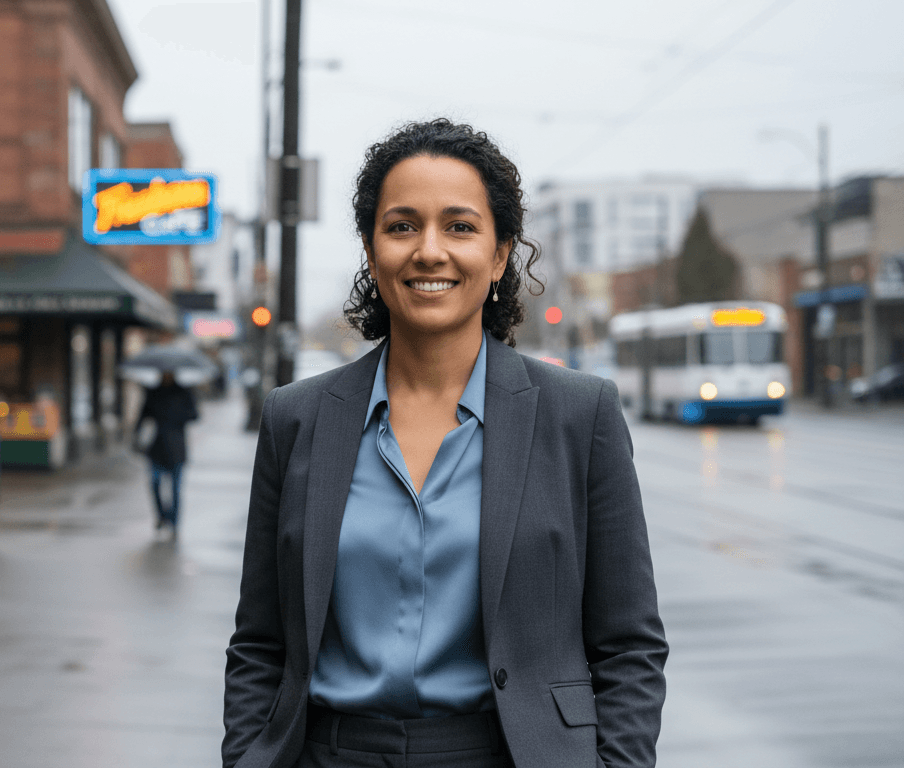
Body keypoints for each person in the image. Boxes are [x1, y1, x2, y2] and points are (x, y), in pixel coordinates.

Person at [223, 119, 667, 768]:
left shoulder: (579, 415)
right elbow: (260, 644)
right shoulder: (296, 419)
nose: (429, 251)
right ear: (372, 252)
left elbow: (629, 646)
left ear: (499, 254)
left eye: (459, 226)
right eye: (402, 226)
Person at [136, 370, 199, 535]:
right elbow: (143, 415)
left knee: (175, 489)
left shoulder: (184, 392)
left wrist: (176, 414)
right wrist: (136, 435)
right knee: (154, 483)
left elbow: (194, 415)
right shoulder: (153, 392)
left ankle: (174, 522)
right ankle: (162, 516)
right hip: (156, 446)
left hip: (177, 447)